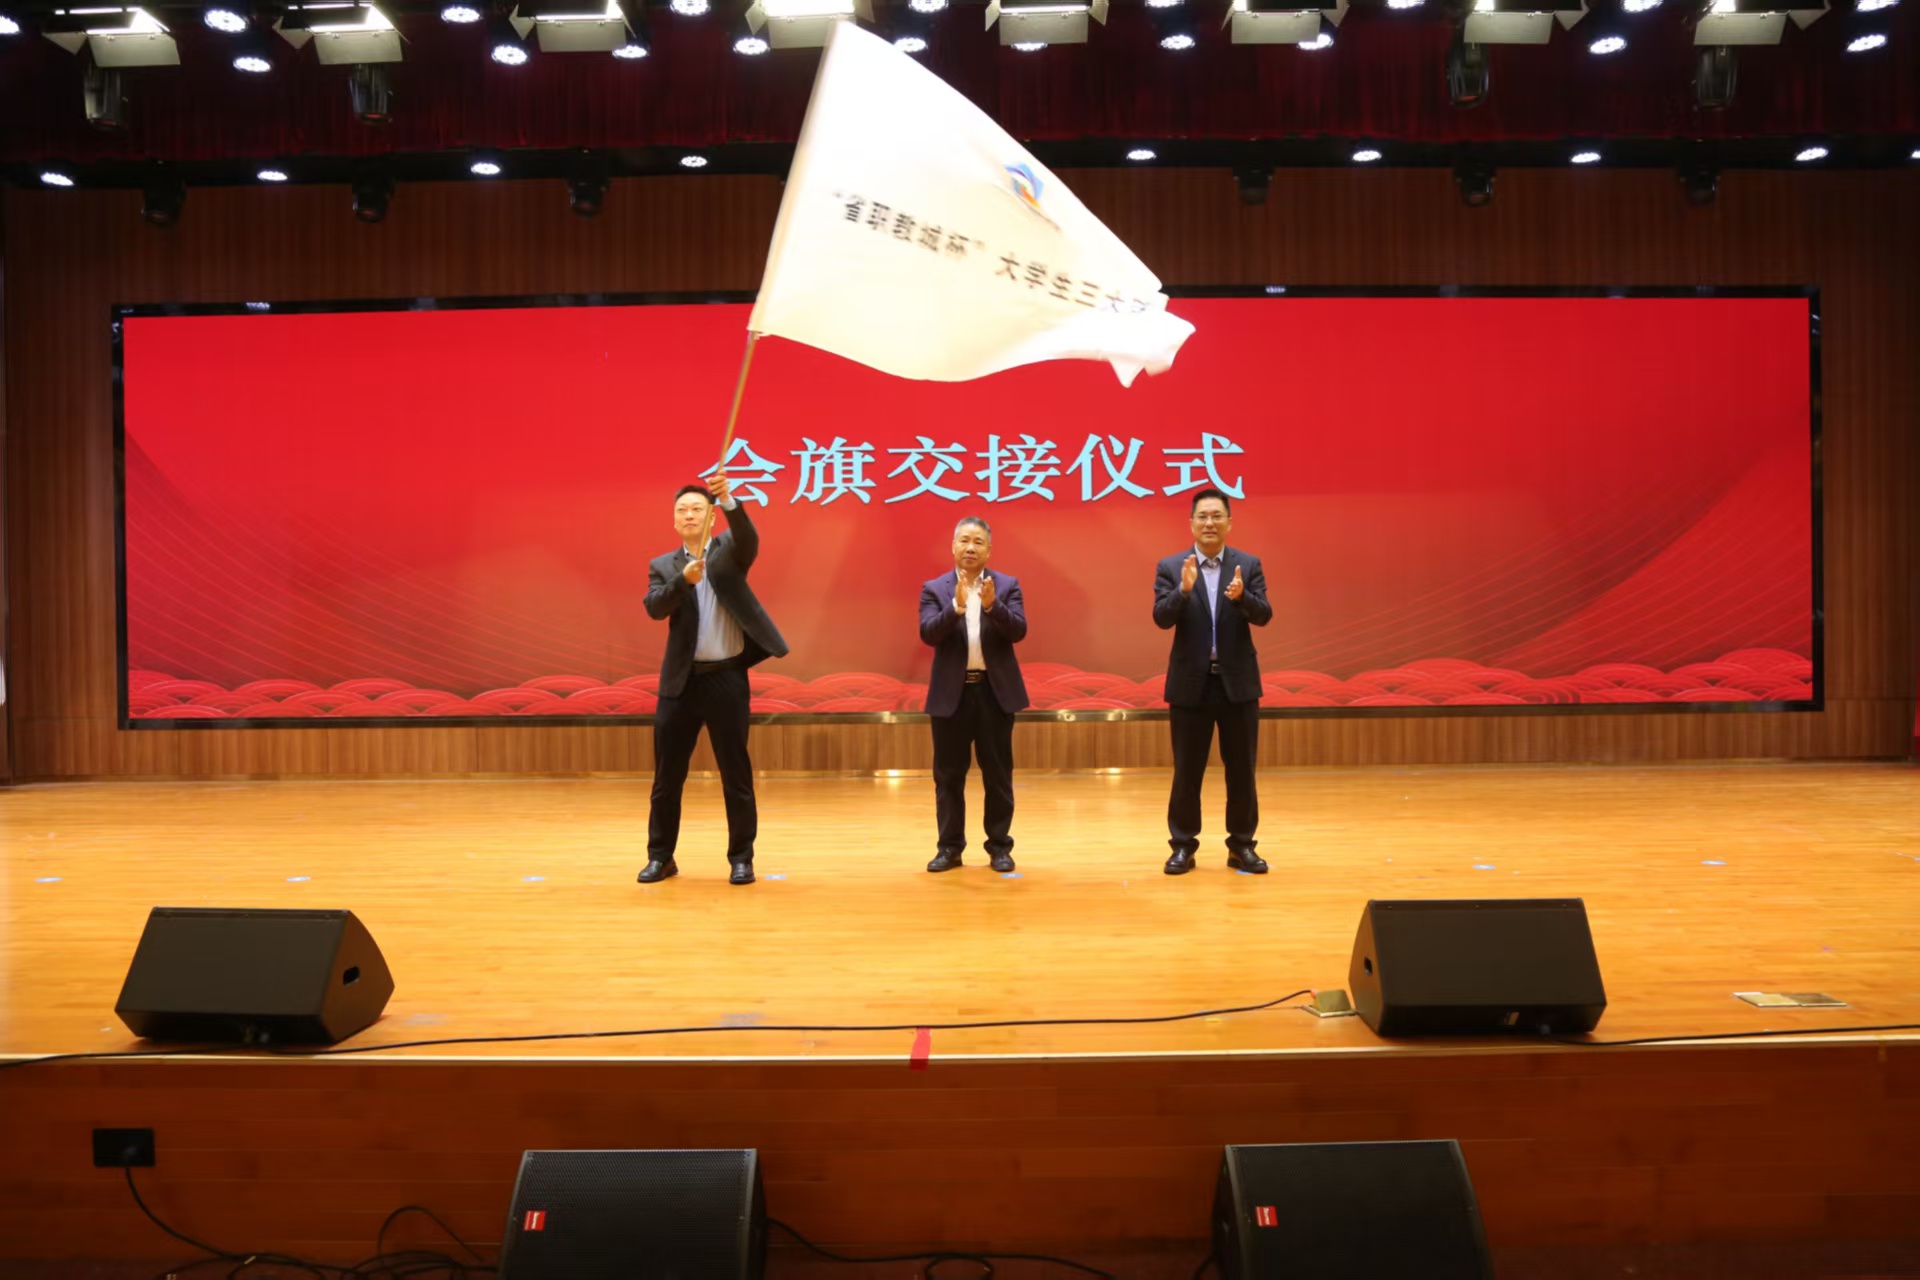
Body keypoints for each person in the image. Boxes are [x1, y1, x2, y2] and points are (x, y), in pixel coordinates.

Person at [638, 471, 788, 886]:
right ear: (674, 520)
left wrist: (729, 500)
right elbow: (654, 608)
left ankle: (741, 858)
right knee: (667, 779)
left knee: (735, 775)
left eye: (697, 509)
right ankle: (660, 857)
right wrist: (682, 581)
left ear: (711, 517)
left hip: (727, 680)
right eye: (682, 510)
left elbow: (749, 539)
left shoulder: (728, 551)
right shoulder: (663, 565)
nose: (689, 515)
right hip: (681, 684)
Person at [1152, 487, 1272, 876]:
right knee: (1187, 772)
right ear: (1191, 523)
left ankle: (1242, 846)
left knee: (1242, 771)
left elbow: (1264, 615)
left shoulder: (1247, 565)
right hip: (1191, 685)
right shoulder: (1172, 566)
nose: (1209, 523)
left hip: (1238, 684)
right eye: (1202, 516)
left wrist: (1242, 598)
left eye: (1216, 516)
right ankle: (1183, 846)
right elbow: (1161, 617)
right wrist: (1183, 591)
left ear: (1229, 523)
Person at [918, 516, 1029, 873]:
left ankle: (999, 847)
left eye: (978, 542)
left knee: (998, 776)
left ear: (989, 550)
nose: (970, 547)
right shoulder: (934, 589)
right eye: (964, 540)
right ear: (953, 546)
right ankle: (949, 849)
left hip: (994, 694)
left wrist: (994, 606)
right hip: (951, 696)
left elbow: (1018, 631)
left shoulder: (1006, 585)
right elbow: (928, 634)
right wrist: (955, 608)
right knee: (948, 777)